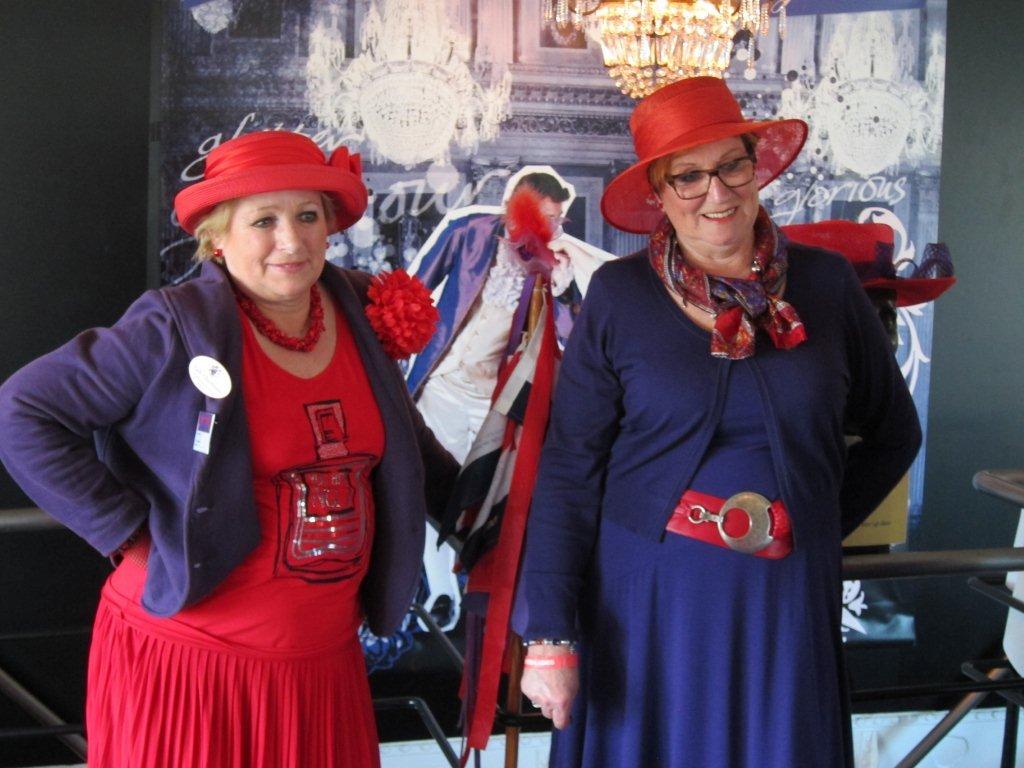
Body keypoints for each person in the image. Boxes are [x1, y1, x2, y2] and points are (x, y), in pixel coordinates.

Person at [0, 130, 457, 768]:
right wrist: (131, 534)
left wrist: (487, 521)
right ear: (217, 237)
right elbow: (23, 412)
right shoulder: (171, 324)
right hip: (192, 665)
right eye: (263, 221)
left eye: (307, 216)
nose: (291, 240)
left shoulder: (359, 309)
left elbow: (409, 442)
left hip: (323, 668)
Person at [514, 77, 923, 768]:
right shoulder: (619, 295)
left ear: (755, 166)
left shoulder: (827, 285)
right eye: (689, 176)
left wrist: (812, 522)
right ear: (660, 192)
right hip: (647, 595)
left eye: (731, 165)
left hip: (785, 598)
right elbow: (569, 468)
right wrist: (549, 634)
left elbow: (895, 433)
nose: (716, 192)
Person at [405, 166, 613, 631]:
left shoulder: (552, 260)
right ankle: (440, 590)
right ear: (515, 205)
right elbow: (415, 287)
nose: (551, 227)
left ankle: (470, 586)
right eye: (543, 215)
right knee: (427, 487)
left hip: (491, 397)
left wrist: (563, 287)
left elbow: (569, 336)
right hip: (441, 382)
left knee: (474, 494)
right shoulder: (470, 230)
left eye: (557, 219)